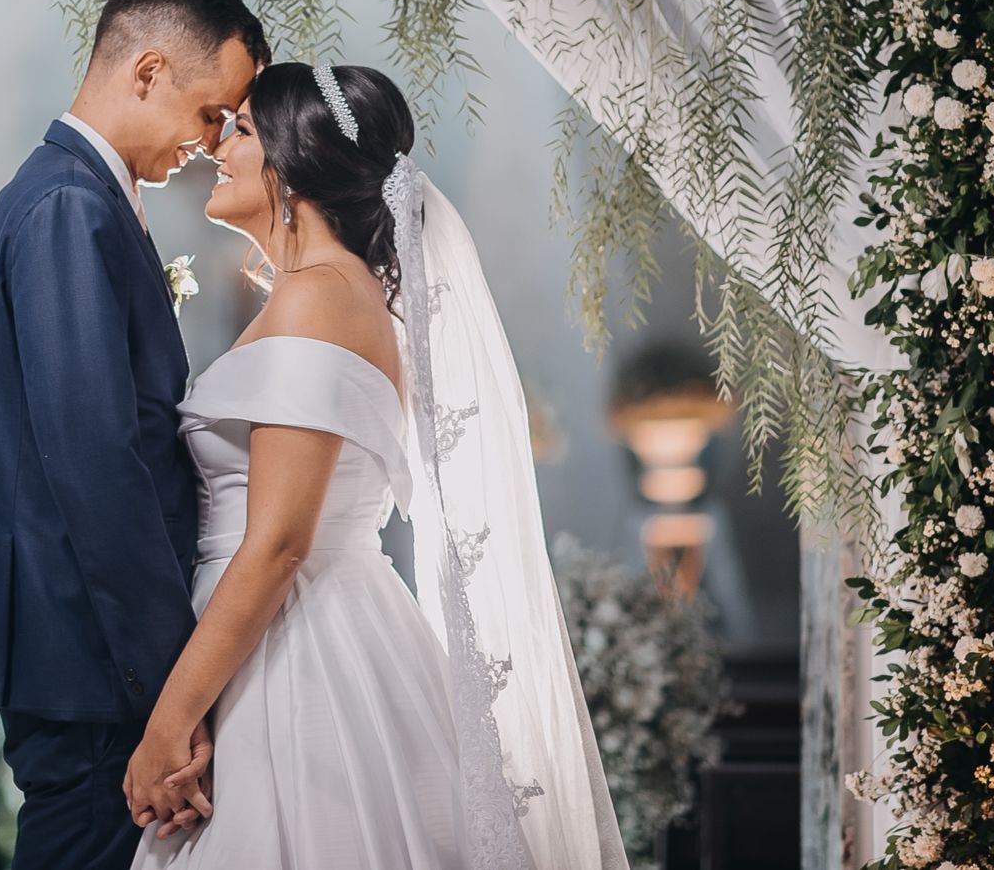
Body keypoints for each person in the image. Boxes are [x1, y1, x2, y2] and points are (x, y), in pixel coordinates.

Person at [124, 63, 630, 870]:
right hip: (309, 625)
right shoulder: (336, 292)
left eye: (245, 132)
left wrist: (166, 726)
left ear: (293, 165)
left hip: (297, 651)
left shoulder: (318, 298)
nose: (220, 145)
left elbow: (280, 543)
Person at [0, 0, 269, 870]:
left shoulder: (78, 196)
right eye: (211, 115)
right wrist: (174, 688)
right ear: (149, 70)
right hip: (94, 663)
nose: (209, 146)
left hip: (90, 653)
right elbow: (96, 464)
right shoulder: (66, 206)